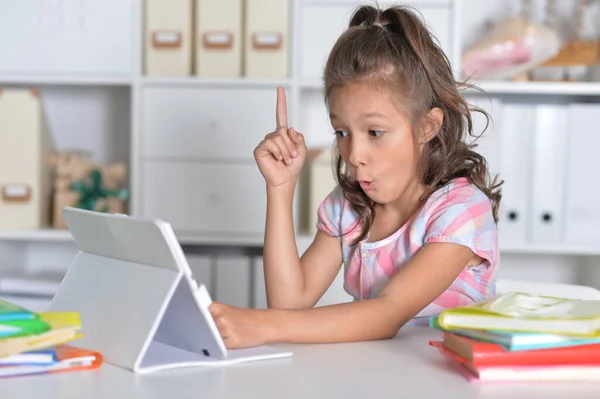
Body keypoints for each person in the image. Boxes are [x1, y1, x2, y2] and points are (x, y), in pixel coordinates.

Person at [208, 4, 502, 349]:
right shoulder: (348, 207)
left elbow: (388, 313)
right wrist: (281, 187)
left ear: (427, 127)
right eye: (342, 132)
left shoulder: (461, 212)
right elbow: (290, 305)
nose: (354, 156)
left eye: (374, 132)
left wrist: (260, 324)